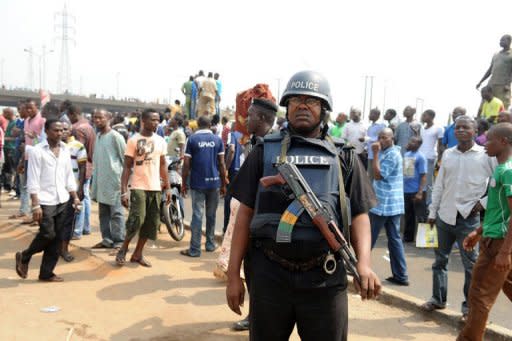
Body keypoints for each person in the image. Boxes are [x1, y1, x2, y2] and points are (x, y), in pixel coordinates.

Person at [226, 70, 380, 341]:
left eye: (312, 101)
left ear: (324, 109)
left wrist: (364, 264)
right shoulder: (264, 151)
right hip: (269, 275)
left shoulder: (343, 156)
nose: (302, 106)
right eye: (295, 100)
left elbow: (360, 215)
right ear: (287, 107)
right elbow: (245, 215)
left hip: (325, 276)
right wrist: (233, 275)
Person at [423, 116, 495, 320]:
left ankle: (468, 309)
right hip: (445, 216)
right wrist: (432, 211)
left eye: (466, 127)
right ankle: (438, 299)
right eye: (457, 127)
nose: (461, 130)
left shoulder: (485, 156)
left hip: (468, 220)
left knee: (471, 266)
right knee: (439, 261)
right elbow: (439, 185)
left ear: (475, 130)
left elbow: (498, 184)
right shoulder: (447, 154)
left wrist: (483, 204)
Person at [216, 97, 278, 331]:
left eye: (250, 114)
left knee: (257, 274)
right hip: (247, 217)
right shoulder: (252, 142)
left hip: (259, 222)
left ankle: (257, 318)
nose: (245, 118)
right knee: (251, 271)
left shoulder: (270, 146)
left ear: (262, 118)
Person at [457, 123, 512, 341]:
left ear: (504, 142)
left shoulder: (507, 171)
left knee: (479, 297)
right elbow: (500, 211)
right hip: (493, 238)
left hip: (499, 244)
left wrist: (505, 252)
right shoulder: (500, 169)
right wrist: (479, 231)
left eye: (489, 140)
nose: (484, 143)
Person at [15, 119, 80, 282]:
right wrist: (35, 204)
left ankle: (46, 273)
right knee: (48, 234)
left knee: (58, 238)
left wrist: (75, 196)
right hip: (44, 200)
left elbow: (69, 176)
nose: (60, 133)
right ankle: (25, 256)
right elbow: (33, 179)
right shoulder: (37, 151)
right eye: (56, 130)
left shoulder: (65, 150)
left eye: (62, 130)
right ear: (47, 131)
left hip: (63, 199)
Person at [115, 109, 169, 267]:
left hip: (155, 187)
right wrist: (124, 190)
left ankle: (138, 254)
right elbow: (126, 167)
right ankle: (123, 249)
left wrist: (167, 187)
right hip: (138, 186)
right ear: (143, 121)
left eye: (158, 120)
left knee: (151, 223)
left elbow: (163, 164)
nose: (156, 123)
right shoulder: (133, 140)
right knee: (137, 218)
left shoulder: (161, 140)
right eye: (153, 120)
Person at [180, 115, 227, 257]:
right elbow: (222, 164)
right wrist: (224, 184)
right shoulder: (217, 140)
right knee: (211, 215)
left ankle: (194, 249)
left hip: (197, 182)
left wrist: (184, 183)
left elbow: (186, 163)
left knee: (197, 215)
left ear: (198, 124)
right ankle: (210, 244)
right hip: (214, 183)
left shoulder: (192, 139)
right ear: (210, 124)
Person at [370, 128, 409, 286]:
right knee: (394, 239)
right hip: (389, 203)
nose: (380, 140)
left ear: (392, 139)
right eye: (379, 137)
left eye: (384, 137)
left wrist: (375, 154)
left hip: (384, 204)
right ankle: (401, 275)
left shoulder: (392, 154)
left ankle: (357, 267)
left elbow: (378, 175)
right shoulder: (389, 152)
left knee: (368, 237)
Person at [90, 109, 127, 249]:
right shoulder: (98, 136)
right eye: (95, 118)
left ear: (109, 118)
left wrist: (125, 184)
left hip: (114, 182)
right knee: (103, 213)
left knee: (116, 213)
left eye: (100, 117)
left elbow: (125, 160)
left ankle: (119, 241)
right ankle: (107, 239)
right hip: (101, 181)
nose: (97, 120)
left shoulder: (115, 136)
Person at [60, 121, 86, 262]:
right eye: (59, 129)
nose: (62, 132)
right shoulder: (53, 146)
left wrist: (80, 188)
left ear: (70, 131)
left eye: (65, 129)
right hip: (54, 191)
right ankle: (54, 248)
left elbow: (82, 168)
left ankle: (64, 249)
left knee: (68, 221)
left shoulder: (78, 146)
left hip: (71, 190)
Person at [68, 104, 96, 238]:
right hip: (89, 165)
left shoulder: (77, 129)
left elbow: (77, 150)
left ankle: (77, 231)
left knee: (78, 198)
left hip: (81, 168)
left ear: (72, 114)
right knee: (85, 198)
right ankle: (85, 227)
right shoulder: (89, 126)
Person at [476, 34, 512, 110]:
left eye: (503, 40)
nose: (500, 42)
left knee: (502, 105)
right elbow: (490, 69)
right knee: (485, 101)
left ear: (509, 41)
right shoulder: (496, 54)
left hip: (502, 85)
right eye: (500, 40)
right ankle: (480, 119)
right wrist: (481, 81)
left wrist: (508, 84)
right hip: (491, 83)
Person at [402, 136, 427, 242]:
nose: (411, 143)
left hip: (417, 191)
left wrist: (420, 192)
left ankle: (424, 240)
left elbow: (423, 175)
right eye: (410, 140)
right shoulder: (406, 154)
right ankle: (408, 237)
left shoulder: (421, 157)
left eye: (414, 142)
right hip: (406, 190)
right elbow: (406, 173)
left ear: (419, 145)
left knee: (421, 216)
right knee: (408, 215)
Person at [419, 109, 444, 204]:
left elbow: (441, 145)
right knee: (419, 180)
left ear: (431, 116)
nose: (423, 117)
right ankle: (420, 201)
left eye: (425, 115)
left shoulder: (438, 128)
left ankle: (428, 203)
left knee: (428, 182)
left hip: (429, 158)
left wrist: (440, 160)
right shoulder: (421, 128)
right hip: (419, 157)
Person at [366, 108, 387, 179]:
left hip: (378, 155)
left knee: (376, 175)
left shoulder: (381, 125)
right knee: (370, 175)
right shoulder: (370, 127)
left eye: (371, 113)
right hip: (370, 154)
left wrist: (369, 139)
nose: (369, 115)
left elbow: (382, 138)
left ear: (377, 115)